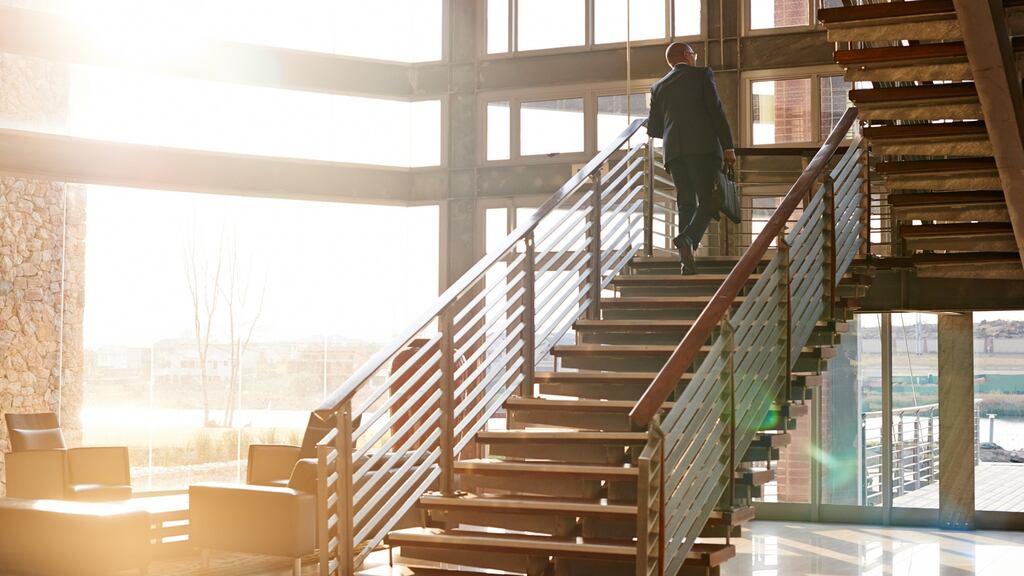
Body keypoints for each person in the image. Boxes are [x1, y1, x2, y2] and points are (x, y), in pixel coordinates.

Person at [646, 42, 736, 275]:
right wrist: (728, 147)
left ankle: (687, 262)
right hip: (702, 148)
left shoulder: (657, 87)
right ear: (687, 55)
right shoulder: (702, 75)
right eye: (693, 54)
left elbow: (654, 128)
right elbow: (716, 111)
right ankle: (686, 239)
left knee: (686, 203)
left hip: (674, 152)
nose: (695, 58)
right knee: (711, 199)